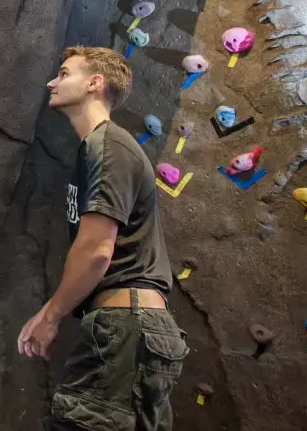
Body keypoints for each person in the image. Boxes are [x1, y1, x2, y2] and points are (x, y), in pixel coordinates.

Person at [17, 46, 188, 430]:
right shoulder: (98, 148)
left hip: (128, 326)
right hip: (136, 326)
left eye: (63, 73)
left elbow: (96, 251)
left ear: (95, 83)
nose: (51, 81)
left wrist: (52, 315)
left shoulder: (107, 144)